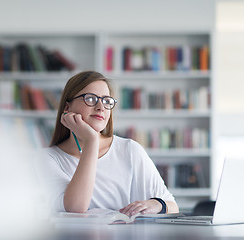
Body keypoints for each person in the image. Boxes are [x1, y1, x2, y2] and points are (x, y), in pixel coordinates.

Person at [36, 71, 179, 216]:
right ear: (67, 108)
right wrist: (91, 140)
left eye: (106, 101)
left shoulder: (130, 150)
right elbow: (76, 207)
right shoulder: (47, 158)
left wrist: (155, 204)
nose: (100, 107)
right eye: (90, 99)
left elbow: (172, 206)